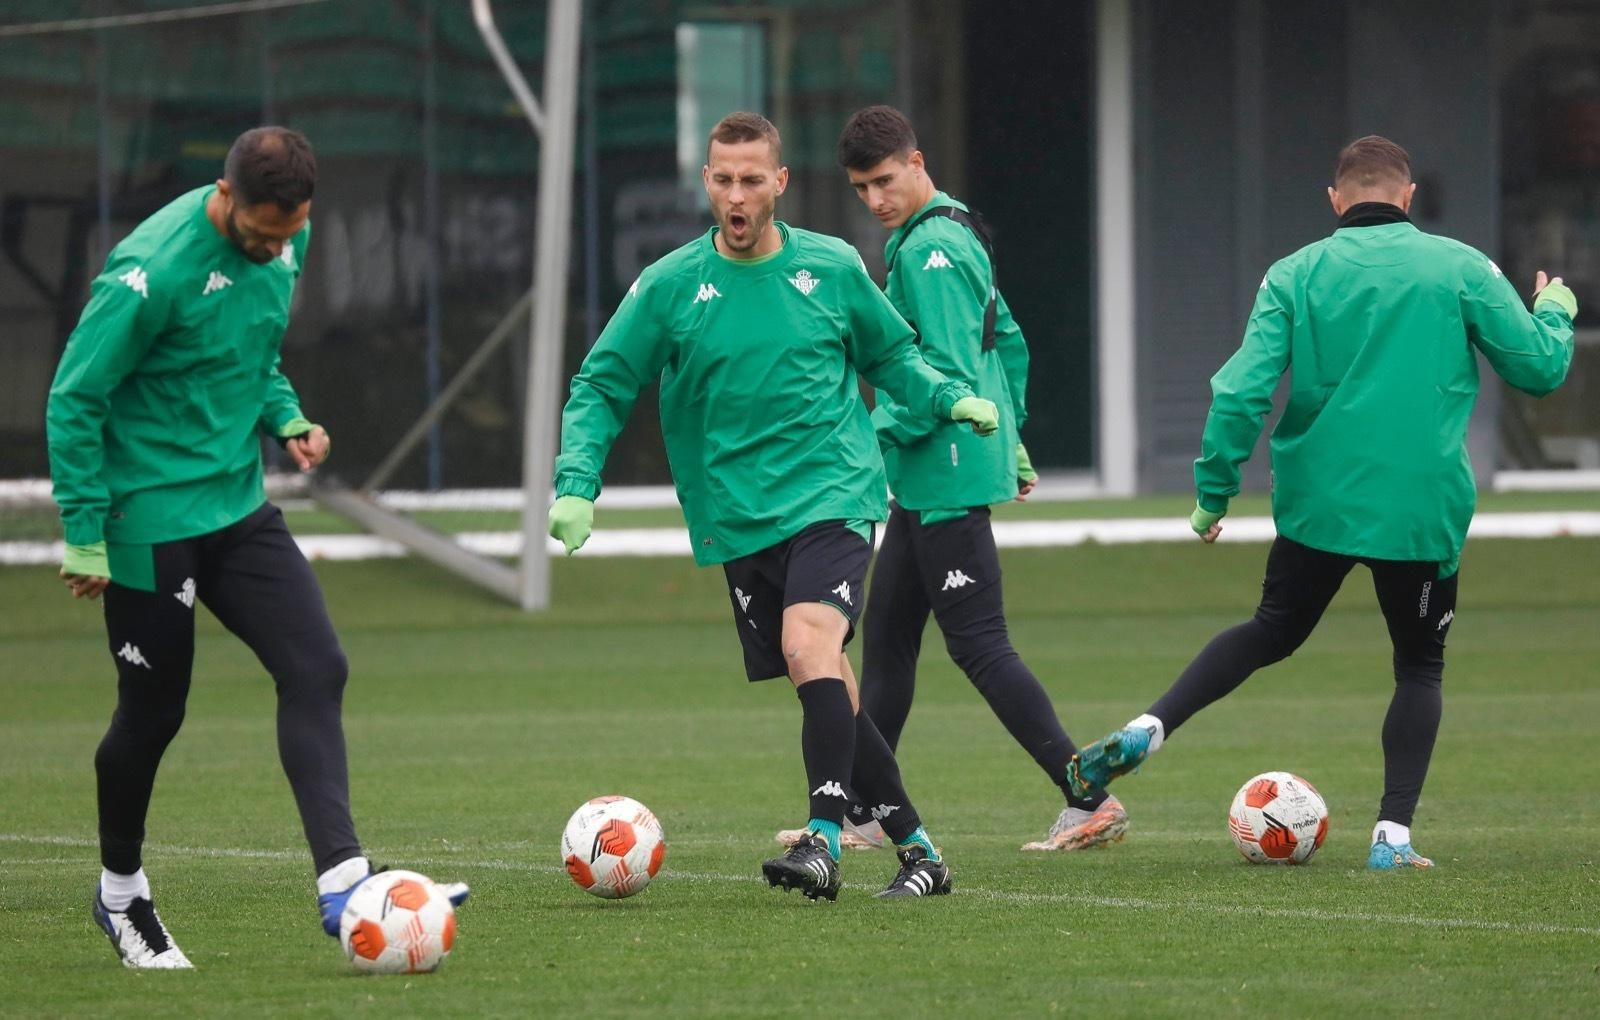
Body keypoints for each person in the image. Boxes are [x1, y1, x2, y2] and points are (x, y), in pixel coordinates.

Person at [1066, 135, 1577, 869]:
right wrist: (1553, 307)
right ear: (1406, 198)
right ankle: (1392, 838)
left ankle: (1150, 727)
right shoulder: (1461, 265)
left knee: (1271, 628)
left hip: (1319, 505)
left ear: (1335, 199)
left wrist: (1213, 495)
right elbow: (1539, 368)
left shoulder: (1294, 273)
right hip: (1419, 508)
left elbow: (1239, 390)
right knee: (1419, 666)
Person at [547, 111, 1001, 900]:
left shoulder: (829, 267)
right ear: (707, 183)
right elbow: (601, 384)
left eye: (752, 178)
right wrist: (576, 483)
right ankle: (921, 852)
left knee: (807, 645)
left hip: (834, 491)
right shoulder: (671, 285)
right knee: (827, 682)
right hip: (738, 516)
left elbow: (892, 353)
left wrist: (949, 396)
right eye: (723, 178)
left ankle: (822, 841)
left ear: (779, 184)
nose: (737, 192)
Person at [46, 127, 466, 969]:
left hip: (237, 504)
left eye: (291, 231)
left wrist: (287, 418)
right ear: (226, 195)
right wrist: (85, 532)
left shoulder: (289, 235)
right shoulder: (148, 272)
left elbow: (252, 351)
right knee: (155, 712)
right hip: (146, 518)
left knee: (317, 666)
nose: (279, 247)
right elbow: (74, 395)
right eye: (265, 233)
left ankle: (343, 881)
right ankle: (121, 894)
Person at [780, 104, 1126, 852]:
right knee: (891, 647)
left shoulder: (932, 250)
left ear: (917, 162)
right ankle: (867, 811)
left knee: (979, 646)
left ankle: (1089, 795)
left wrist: (867, 432)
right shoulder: (952, 230)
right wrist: (1016, 433)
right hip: (930, 476)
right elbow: (1010, 341)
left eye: (883, 181)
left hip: (944, 472)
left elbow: (938, 376)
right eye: (861, 189)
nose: (874, 200)